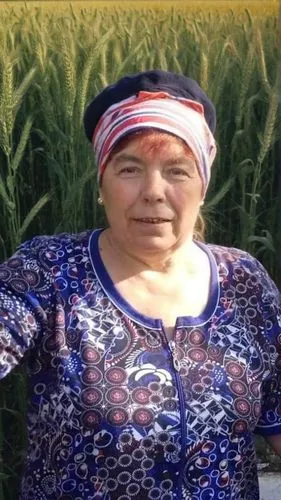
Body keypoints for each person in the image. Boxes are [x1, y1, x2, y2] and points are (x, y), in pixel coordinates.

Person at [0, 69, 281, 500]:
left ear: (202, 184)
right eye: (129, 168)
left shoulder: (245, 280)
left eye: (177, 171)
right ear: (101, 183)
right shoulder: (49, 272)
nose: (153, 191)